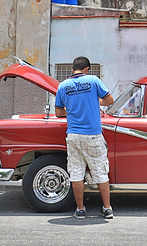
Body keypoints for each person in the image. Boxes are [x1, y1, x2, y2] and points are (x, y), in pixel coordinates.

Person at [54, 56, 115, 219]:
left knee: (76, 174)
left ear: (72, 69)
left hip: (73, 135)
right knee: (101, 172)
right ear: (87, 69)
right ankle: (107, 208)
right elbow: (109, 100)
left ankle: (80, 209)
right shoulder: (93, 80)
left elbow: (59, 112)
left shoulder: (63, 86)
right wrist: (94, 101)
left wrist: (73, 110)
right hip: (93, 135)